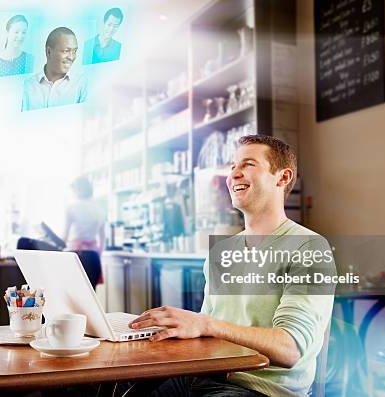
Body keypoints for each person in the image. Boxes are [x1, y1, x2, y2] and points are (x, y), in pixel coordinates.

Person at [125, 135, 336, 397]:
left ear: (282, 178)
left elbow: (289, 349)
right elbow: (206, 334)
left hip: (259, 389)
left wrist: (206, 324)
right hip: (203, 376)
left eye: (247, 164)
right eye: (232, 166)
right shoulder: (220, 252)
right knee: (118, 387)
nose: (233, 174)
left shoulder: (309, 247)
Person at [21, 27, 88, 111]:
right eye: (66, 51)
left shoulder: (82, 84)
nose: (71, 57)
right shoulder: (27, 86)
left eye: (74, 51)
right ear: (49, 52)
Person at [63, 176, 105, 287]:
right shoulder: (100, 208)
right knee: (91, 295)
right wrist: (96, 251)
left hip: (75, 255)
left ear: (77, 190)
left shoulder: (71, 207)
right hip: (93, 257)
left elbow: (64, 237)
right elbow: (102, 239)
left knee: (73, 294)